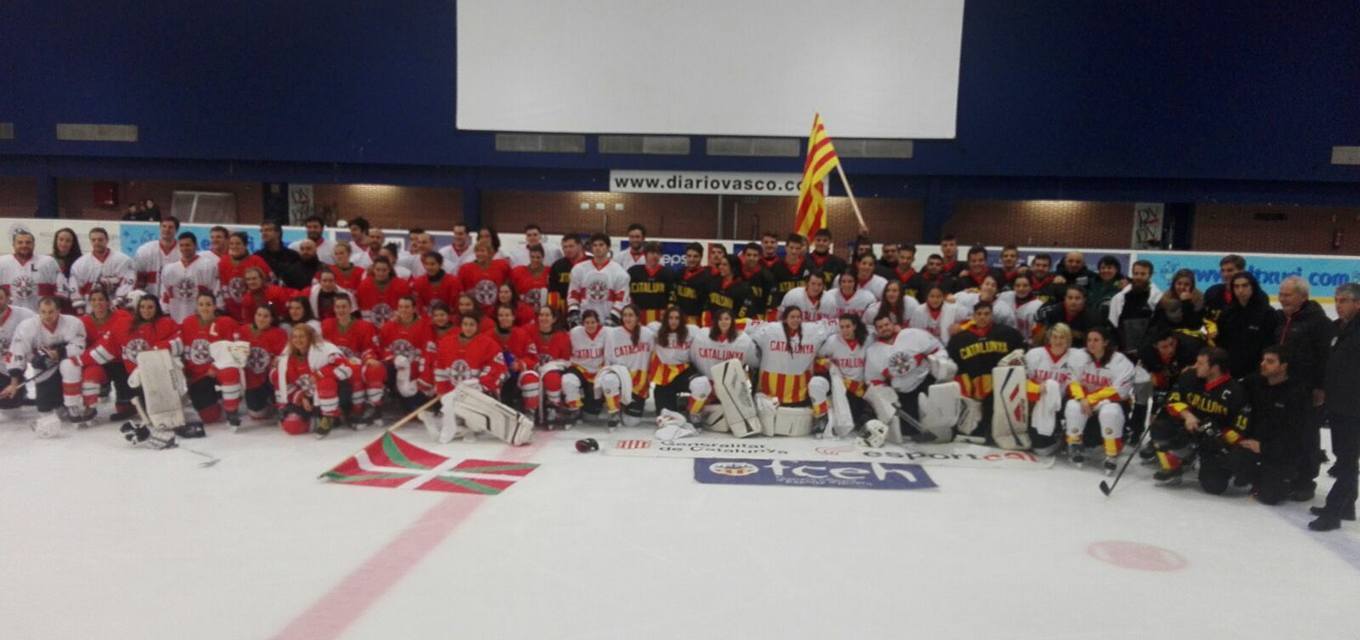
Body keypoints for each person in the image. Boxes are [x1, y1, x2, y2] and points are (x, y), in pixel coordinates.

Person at [1150, 347, 1248, 487]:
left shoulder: (1236, 391)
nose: (1195, 366)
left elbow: (1240, 429)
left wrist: (1219, 434)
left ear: (1214, 367)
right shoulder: (1189, 376)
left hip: (1214, 440)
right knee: (1160, 427)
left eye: (1201, 363)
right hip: (1188, 429)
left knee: (1214, 485)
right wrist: (1187, 415)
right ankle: (1174, 467)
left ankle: (1204, 461)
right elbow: (1172, 401)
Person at [1275, 275, 1334, 500]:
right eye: (1280, 294)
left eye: (1287, 295)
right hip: (1283, 389)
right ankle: (1288, 473)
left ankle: (1305, 480)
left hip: (1308, 389)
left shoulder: (1318, 322)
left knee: (1306, 435)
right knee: (1287, 432)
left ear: (1303, 297)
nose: (1282, 299)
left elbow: (1326, 358)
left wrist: (1320, 387)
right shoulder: (1281, 319)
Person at [1311, 283, 1360, 530]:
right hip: (1340, 404)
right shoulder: (1339, 328)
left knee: (1347, 460)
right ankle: (1348, 506)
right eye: (1337, 300)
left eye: (1344, 301)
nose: (1338, 305)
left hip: (1353, 407)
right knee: (1345, 457)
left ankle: (1333, 511)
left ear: (1357, 303)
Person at [1237, 346, 1311, 505]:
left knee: (1270, 496)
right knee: (1227, 465)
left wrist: (1264, 447)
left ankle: (1288, 479)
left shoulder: (1297, 393)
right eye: (1263, 360)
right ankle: (1254, 474)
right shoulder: (1254, 382)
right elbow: (1229, 387)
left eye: (1270, 362)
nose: (1263, 364)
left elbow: (1296, 436)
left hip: (1281, 452)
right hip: (1252, 443)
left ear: (1283, 366)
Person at [946, 301, 1026, 443]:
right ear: (974, 316)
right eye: (979, 314)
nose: (983, 317)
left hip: (999, 386)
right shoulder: (960, 339)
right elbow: (953, 364)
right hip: (972, 388)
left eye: (986, 314)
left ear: (992, 315)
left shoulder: (1008, 334)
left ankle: (994, 434)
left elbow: (1021, 354)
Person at [864, 311, 947, 441]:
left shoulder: (913, 334)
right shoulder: (873, 351)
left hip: (926, 381)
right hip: (903, 393)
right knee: (909, 432)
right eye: (880, 327)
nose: (884, 328)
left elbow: (937, 349)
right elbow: (874, 380)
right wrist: (887, 395)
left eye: (886, 324)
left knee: (935, 410)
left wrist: (940, 363)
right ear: (876, 330)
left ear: (893, 324)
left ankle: (945, 431)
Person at [1063, 325, 1135, 471]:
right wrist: (1082, 399)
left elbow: (1119, 390)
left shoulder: (1120, 361)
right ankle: (1075, 444)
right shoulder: (1079, 356)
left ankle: (1111, 453)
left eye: (1096, 340)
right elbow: (1072, 381)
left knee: (1110, 411)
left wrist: (1090, 400)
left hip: (1111, 403)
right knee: (1072, 406)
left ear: (1106, 342)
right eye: (1089, 340)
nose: (1091, 343)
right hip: (1085, 402)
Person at [1, 297, 85, 419]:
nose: (47, 316)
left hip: (68, 364)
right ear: (38, 311)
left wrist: (59, 352)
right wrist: (14, 384)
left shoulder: (73, 323)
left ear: (59, 311)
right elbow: (17, 352)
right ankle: (59, 401)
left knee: (69, 365)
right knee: (44, 407)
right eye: (43, 312)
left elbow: (80, 346)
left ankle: (73, 405)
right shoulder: (27, 327)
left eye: (51, 312)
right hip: (44, 368)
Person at [748, 306, 833, 423]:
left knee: (817, 384)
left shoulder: (812, 331)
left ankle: (822, 419)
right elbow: (744, 325)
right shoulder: (770, 330)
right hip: (769, 393)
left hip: (800, 395)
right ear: (785, 318)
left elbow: (834, 325)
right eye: (792, 317)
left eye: (798, 317)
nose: (796, 320)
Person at [275, 324, 352, 437]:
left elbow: (344, 366)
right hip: (308, 399)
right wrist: (302, 397)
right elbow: (289, 384)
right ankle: (321, 420)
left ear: (310, 337)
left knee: (325, 382)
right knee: (291, 426)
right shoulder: (288, 359)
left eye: (302, 336)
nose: (297, 340)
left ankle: (329, 415)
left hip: (331, 394)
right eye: (295, 337)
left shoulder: (324, 350)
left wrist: (319, 374)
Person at [1024, 323, 1090, 455]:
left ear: (1068, 340)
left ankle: (1071, 438)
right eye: (1055, 337)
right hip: (1036, 403)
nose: (1058, 341)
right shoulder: (1035, 354)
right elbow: (1022, 380)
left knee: (1074, 406)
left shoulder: (1077, 357)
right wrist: (1037, 388)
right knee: (1040, 448)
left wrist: (1080, 397)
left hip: (1062, 403)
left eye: (1062, 337)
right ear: (1049, 338)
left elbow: (1075, 384)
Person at [321, 295, 385, 424]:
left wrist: (369, 358)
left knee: (373, 369)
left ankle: (368, 407)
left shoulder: (364, 326)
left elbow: (369, 348)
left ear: (351, 308)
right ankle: (331, 411)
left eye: (344, 306)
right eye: (338, 307)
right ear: (334, 309)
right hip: (336, 368)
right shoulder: (326, 325)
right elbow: (322, 349)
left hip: (357, 366)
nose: (341, 310)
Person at [685, 308, 757, 423]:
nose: (724, 322)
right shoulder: (703, 336)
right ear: (715, 321)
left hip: (730, 385)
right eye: (720, 319)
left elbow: (754, 362)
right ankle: (694, 413)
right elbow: (692, 358)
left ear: (732, 321)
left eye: (727, 319)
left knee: (734, 418)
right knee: (700, 384)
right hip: (708, 383)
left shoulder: (743, 340)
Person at [73, 288, 135, 419]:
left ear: (108, 302)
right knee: (90, 374)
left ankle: (126, 404)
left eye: (101, 299)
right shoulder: (83, 322)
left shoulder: (122, 316)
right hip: (97, 362)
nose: (98, 303)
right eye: (94, 300)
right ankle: (89, 406)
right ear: (90, 303)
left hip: (120, 362)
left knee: (125, 394)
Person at [179, 293, 241, 425]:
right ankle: (218, 398)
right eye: (201, 304)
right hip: (198, 377)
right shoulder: (188, 322)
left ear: (214, 306)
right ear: (196, 306)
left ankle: (231, 410)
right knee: (210, 417)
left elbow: (234, 351)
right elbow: (181, 348)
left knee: (230, 371)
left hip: (218, 372)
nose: (204, 308)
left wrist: (215, 367)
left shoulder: (226, 323)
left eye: (208, 304)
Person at [598, 305, 655, 427]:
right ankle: (614, 411)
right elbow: (607, 359)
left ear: (637, 317)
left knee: (631, 422)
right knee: (609, 379)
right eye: (625, 315)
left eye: (631, 315)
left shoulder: (648, 334)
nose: (627, 318)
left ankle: (625, 404)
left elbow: (653, 359)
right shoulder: (613, 334)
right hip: (621, 378)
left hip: (639, 384)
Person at [1216, 272, 1278, 379]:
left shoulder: (1267, 313)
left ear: (1253, 287)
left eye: (1245, 286)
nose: (1240, 290)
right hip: (1231, 370)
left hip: (1257, 372)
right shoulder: (1226, 313)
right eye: (1236, 286)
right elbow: (1222, 342)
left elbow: (1270, 344)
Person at [378, 296, 434, 412]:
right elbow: (382, 349)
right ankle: (392, 396)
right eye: (401, 307)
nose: (404, 310)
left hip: (415, 371)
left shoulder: (424, 326)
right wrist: (394, 359)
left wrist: (422, 375)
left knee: (413, 403)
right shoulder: (389, 326)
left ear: (414, 309)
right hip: (396, 369)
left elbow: (427, 353)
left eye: (407, 307)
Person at [815, 314, 873, 426]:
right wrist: (826, 362)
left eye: (848, 326)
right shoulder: (833, 341)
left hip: (860, 388)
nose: (844, 330)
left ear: (855, 326)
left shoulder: (867, 340)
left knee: (857, 419)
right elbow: (819, 357)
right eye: (841, 327)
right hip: (841, 387)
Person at [432, 312, 507, 397]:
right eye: (465, 324)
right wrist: (442, 390)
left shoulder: (489, 344)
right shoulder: (446, 343)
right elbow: (440, 368)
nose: (468, 328)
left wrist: (479, 386)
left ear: (477, 326)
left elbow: (496, 368)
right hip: (453, 395)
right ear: (461, 325)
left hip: (479, 395)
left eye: (472, 325)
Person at [236, 305, 288, 423]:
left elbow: (283, 357)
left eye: (266, 316)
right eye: (259, 315)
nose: (261, 319)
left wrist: (277, 360)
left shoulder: (279, 333)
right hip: (251, 381)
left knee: (278, 373)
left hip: (269, 380)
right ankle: (267, 404)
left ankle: (279, 402)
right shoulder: (243, 331)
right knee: (257, 414)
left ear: (272, 319)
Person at [567, 233, 630, 327]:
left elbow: (621, 299)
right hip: (584, 322)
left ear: (608, 248)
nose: (597, 248)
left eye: (601, 245)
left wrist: (614, 317)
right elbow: (573, 293)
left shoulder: (619, 272)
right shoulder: (579, 269)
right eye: (595, 245)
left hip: (608, 321)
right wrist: (574, 312)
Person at [67, 227, 135, 311]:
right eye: (93, 240)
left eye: (100, 240)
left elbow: (128, 282)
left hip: (116, 309)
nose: (97, 242)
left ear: (107, 240)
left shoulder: (123, 260)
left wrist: (117, 303)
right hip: (90, 310)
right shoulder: (79, 264)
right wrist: (80, 308)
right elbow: (75, 288)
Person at [159, 232, 219, 322]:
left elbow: (215, 291)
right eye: (181, 245)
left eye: (187, 245)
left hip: (201, 319)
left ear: (195, 245)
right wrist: (165, 311)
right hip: (175, 317)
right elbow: (165, 294)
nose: (184, 248)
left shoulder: (208, 266)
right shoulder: (169, 269)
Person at [649, 306, 698, 414]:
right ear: (666, 319)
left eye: (677, 318)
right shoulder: (656, 331)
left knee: (700, 384)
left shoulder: (691, 331)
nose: (674, 321)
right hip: (665, 375)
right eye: (670, 318)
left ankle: (695, 411)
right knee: (665, 414)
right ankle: (679, 402)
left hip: (685, 371)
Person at [561, 309, 608, 420]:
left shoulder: (607, 332)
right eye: (587, 322)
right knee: (567, 380)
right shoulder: (574, 332)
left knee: (591, 416)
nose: (590, 325)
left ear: (598, 322)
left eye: (593, 322)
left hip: (598, 371)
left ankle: (602, 405)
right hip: (579, 369)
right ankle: (574, 408)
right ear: (583, 323)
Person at [1107, 259, 1160, 358]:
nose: (1138, 277)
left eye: (1143, 274)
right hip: (1123, 349)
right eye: (1136, 273)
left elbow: (1156, 327)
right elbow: (1113, 324)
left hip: (1146, 351)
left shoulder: (1156, 299)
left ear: (1150, 275)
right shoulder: (1120, 298)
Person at [0, 230, 62, 311]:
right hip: (10, 316)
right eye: (20, 242)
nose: (24, 245)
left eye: (28, 242)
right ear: (13, 245)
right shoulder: (2, 262)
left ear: (34, 244)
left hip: (41, 316)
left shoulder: (48, 262)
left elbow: (60, 290)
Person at [218, 232, 273, 321]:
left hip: (255, 313)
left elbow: (272, 282)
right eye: (231, 244)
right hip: (231, 314)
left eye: (238, 243)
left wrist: (267, 303)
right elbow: (222, 286)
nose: (234, 246)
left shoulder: (256, 261)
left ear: (245, 245)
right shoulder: (223, 262)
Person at [458, 239, 512, 314]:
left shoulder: (502, 265)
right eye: (477, 251)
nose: (479, 254)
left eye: (482, 251)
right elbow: (461, 292)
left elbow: (509, 285)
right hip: (475, 311)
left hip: (497, 310)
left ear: (490, 253)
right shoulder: (465, 269)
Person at [627, 242, 674, 325]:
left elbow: (672, 296)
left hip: (660, 316)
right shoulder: (633, 271)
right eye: (652, 253)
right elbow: (627, 294)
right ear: (645, 254)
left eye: (658, 253)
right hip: (638, 315)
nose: (655, 256)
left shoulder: (668, 273)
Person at [766, 234, 811, 320]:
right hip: (781, 310)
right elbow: (771, 291)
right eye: (791, 248)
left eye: (797, 248)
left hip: (803, 310)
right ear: (786, 248)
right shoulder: (776, 267)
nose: (794, 251)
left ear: (801, 249)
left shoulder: (809, 266)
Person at [1150, 268, 1205, 338]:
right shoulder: (1165, 299)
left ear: (1192, 286)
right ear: (1174, 284)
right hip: (1167, 339)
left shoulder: (1199, 299)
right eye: (1179, 283)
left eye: (1186, 284)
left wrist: (1186, 303)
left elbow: (1194, 326)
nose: (1182, 287)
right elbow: (1158, 325)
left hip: (1189, 339)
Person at [355, 257, 411, 325]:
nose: (381, 273)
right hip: (370, 330)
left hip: (395, 329)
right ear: (373, 269)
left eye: (384, 270)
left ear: (389, 270)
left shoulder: (402, 286)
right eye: (378, 270)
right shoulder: (364, 286)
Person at [953, 275, 1017, 329]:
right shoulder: (967, 297)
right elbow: (950, 298)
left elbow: (1011, 329)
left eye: (993, 285)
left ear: (997, 291)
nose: (989, 287)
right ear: (981, 286)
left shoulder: (1003, 309)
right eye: (987, 284)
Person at [255, 220, 305, 289]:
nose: (264, 233)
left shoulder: (293, 256)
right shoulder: (257, 256)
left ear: (278, 233)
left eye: (268, 230)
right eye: (261, 231)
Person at [548, 233, 588, 315]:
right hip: (564, 311)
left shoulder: (591, 263)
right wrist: (555, 311)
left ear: (580, 246)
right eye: (565, 247)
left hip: (587, 309)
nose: (567, 250)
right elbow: (552, 291)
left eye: (571, 246)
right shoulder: (557, 266)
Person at [672, 242, 713, 322]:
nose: (692, 259)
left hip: (696, 320)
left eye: (695, 256)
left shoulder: (707, 277)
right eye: (689, 256)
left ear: (701, 257)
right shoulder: (679, 273)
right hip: (679, 318)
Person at [1203, 254, 1245, 330]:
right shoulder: (1212, 293)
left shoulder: (1255, 296)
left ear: (1242, 271)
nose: (1225, 274)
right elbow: (1204, 318)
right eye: (1222, 270)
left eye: (1230, 270)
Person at [999, 274, 1044, 342]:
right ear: (1013, 287)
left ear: (1031, 287)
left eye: (1025, 286)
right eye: (1017, 286)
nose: (1021, 288)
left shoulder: (1038, 306)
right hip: (1004, 341)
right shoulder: (1005, 296)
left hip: (1026, 343)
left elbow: (1038, 333)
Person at [737, 243, 773, 323]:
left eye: (755, 255)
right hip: (737, 317)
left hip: (758, 318)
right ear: (743, 255)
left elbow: (769, 301)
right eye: (748, 255)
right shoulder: (736, 273)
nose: (751, 258)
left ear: (760, 257)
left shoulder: (767, 276)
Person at [510, 244, 550, 312]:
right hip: (524, 312)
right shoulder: (518, 271)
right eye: (532, 257)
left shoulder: (550, 272)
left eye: (538, 257)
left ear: (543, 257)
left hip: (544, 314)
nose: (535, 260)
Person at [50, 227, 82, 293]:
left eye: (68, 241)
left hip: (74, 296)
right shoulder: (48, 259)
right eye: (61, 240)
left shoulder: (80, 261)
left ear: (73, 243)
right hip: (53, 297)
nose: (63, 243)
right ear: (56, 240)